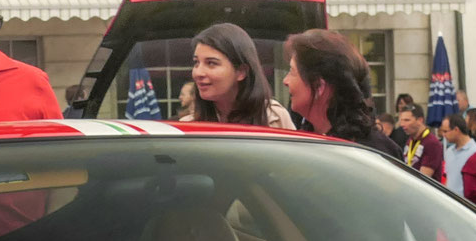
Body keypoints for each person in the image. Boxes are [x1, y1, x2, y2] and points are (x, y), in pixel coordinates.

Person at [284, 29, 401, 157]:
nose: (285, 81)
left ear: (319, 86)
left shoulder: (373, 153)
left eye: (292, 72)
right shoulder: (303, 141)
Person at [184, 23, 296, 129]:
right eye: (196, 62)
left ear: (241, 72)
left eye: (211, 63)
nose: (198, 73)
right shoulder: (187, 126)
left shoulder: (275, 118)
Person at [439, 114, 476, 208]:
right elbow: (448, 178)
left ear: (456, 130)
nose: (443, 135)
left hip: (468, 207)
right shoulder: (448, 152)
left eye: (445, 131)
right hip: (450, 205)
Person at [397, 105, 444, 181]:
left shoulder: (431, 143)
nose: (402, 124)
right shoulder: (411, 140)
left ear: (420, 120)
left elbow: (423, 178)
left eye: (407, 120)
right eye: (401, 120)